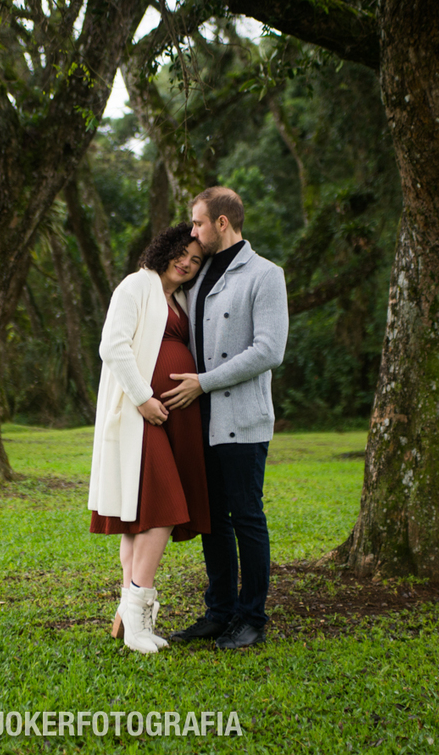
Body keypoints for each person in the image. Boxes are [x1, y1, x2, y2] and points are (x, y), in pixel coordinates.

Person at [162, 187, 288, 650]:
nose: (191, 231)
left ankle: (252, 617)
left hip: (242, 417)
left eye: (196, 223)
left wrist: (204, 381)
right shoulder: (194, 277)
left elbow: (269, 350)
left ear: (221, 222)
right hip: (200, 422)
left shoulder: (265, 274)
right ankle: (219, 612)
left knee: (247, 517)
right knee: (213, 520)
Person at [88, 223, 210, 654]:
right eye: (182, 253)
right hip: (142, 416)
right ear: (166, 248)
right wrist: (143, 398)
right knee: (161, 508)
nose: (187, 263)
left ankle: (128, 609)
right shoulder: (136, 285)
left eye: (196, 260)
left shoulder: (174, 298)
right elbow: (113, 346)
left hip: (169, 418)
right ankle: (139, 612)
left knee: (137, 515)